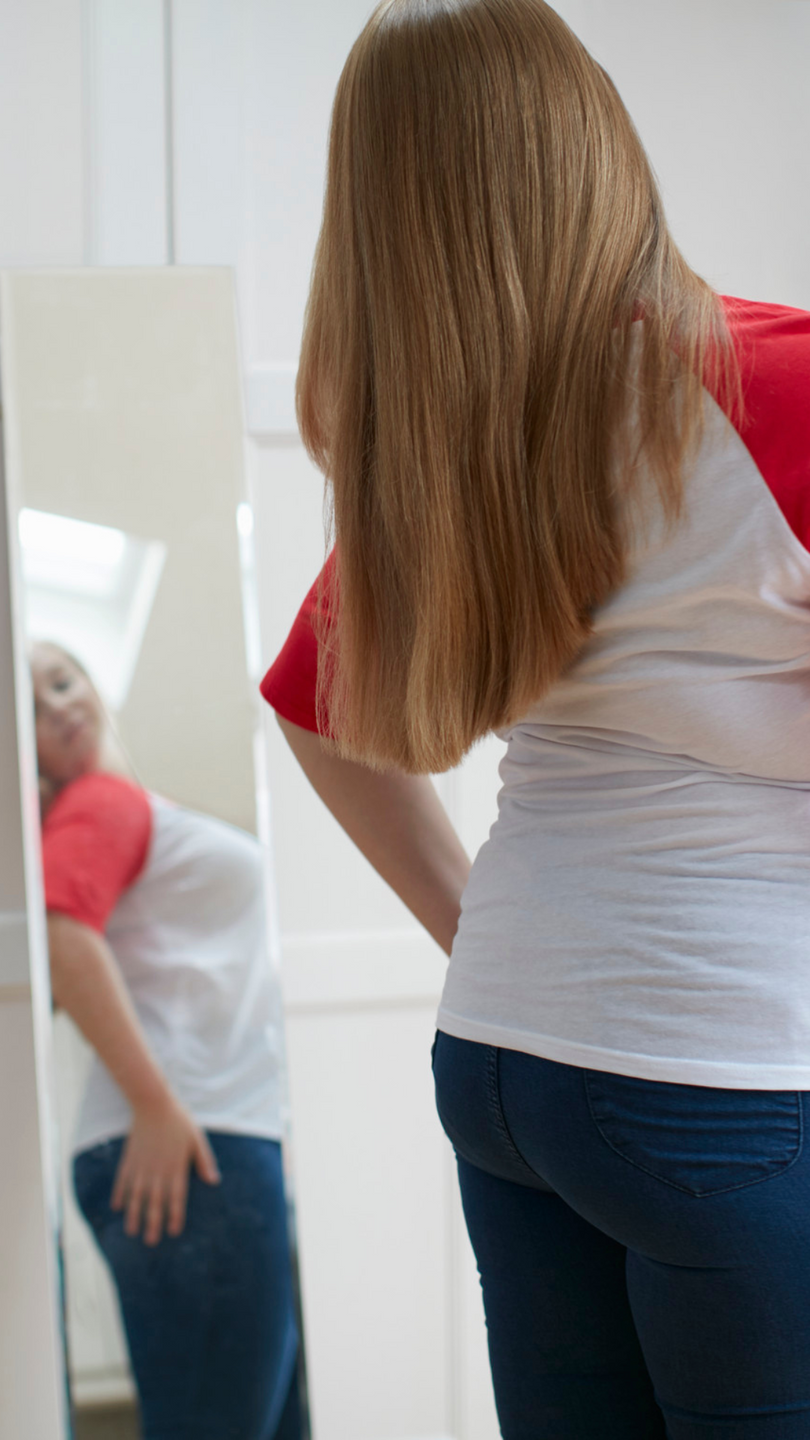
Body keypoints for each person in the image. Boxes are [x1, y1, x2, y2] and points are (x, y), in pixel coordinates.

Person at [258, 2, 810, 1437]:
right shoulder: (776, 387)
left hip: (508, 1054)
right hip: (721, 1076)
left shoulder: (453, 447)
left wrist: (470, 924)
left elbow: (311, 709)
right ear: (589, 138)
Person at [32, 641, 301, 1440]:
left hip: (215, 1136)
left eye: (62, 682)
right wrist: (155, 1106)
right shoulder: (98, 802)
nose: (58, 708)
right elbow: (61, 938)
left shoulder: (126, 809)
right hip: (189, 1144)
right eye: (33, 710)